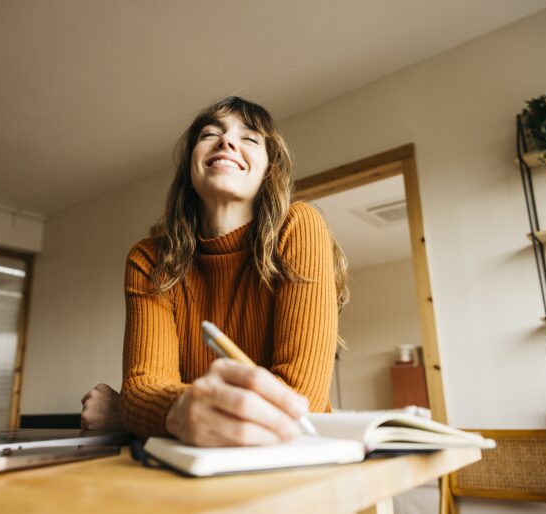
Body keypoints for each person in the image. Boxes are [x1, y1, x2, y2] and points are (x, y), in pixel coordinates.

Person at [81, 96, 347, 446]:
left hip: (297, 466)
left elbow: (298, 406)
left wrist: (134, 414)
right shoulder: (148, 260)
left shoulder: (300, 226)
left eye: (250, 138)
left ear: (269, 169)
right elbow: (144, 386)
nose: (227, 141)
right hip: (197, 469)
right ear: (191, 165)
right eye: (210, 134)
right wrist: (146, 406)